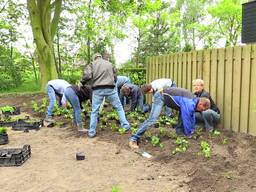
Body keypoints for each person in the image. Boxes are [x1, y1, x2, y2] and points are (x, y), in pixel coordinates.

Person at [128, 87, 211, 149]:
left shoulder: (194, 101)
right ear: (200, 104)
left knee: (184, 113)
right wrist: (189, 133)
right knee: (152, 119)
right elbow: (186, 119)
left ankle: (180, 134)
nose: (201, 111)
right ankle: (133, 139)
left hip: (166, 95)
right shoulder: (189, 103)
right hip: (160, 96)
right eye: (202, 109)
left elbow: (191, 116)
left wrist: (192, 130)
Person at [81, 53, 130, 138]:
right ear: (100, 57)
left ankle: (92, 132)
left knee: (94, 111)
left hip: (97, 89)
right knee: (118, 107)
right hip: (110, 88)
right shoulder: (110, 64)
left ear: (94, 59)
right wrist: (113, 82)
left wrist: (82, 83)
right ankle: (125, 125)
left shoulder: (92, 64)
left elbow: (87, 76)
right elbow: (115, 77)